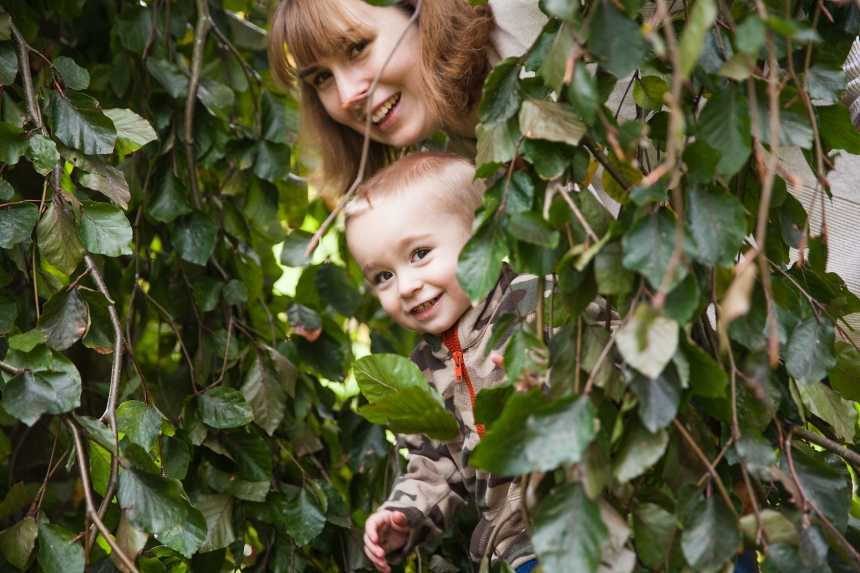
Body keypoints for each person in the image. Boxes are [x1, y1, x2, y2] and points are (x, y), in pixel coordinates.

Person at [344, 151, 616, 573]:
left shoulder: (535, 301)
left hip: (601, 511)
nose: (407, 286)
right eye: (383, 276)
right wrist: (405, 515)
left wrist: (552, 364)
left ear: (483, 235)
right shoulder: (422, 371)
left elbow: (614, 348)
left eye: (419, 253)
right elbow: (433, 465)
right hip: (521, 547)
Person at [268, 0, 547, 197]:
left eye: (358, 47)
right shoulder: (465, 175)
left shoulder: (526, 12)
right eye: (321, 78)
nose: (348, 95)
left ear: (417, 10)